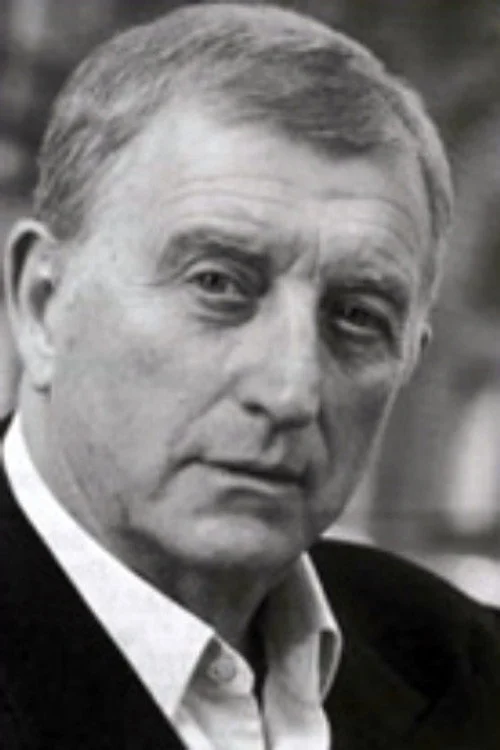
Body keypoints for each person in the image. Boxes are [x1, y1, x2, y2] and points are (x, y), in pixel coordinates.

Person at [1, 4, 499, 749]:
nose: (292, 391)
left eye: (357, 316)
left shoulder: (471, 671)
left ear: (408, 357)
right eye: (218, 284)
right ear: (42, 303)